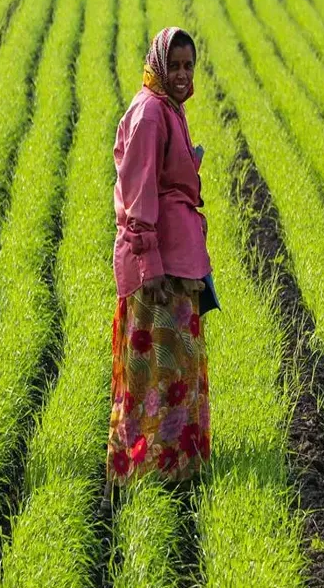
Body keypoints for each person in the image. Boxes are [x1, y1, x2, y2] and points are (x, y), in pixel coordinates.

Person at [107, 27, 218, 487]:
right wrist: (148, 263)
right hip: (160, 268)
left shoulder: (170, 110)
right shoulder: (151, 113)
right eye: (173, 65)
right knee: (154, 372)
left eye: (188, 66)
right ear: (157, 64)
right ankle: (148, 467)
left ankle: (173, 464)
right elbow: (137, 195)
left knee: (175, 369)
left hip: (180, 261)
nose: (181, 74)